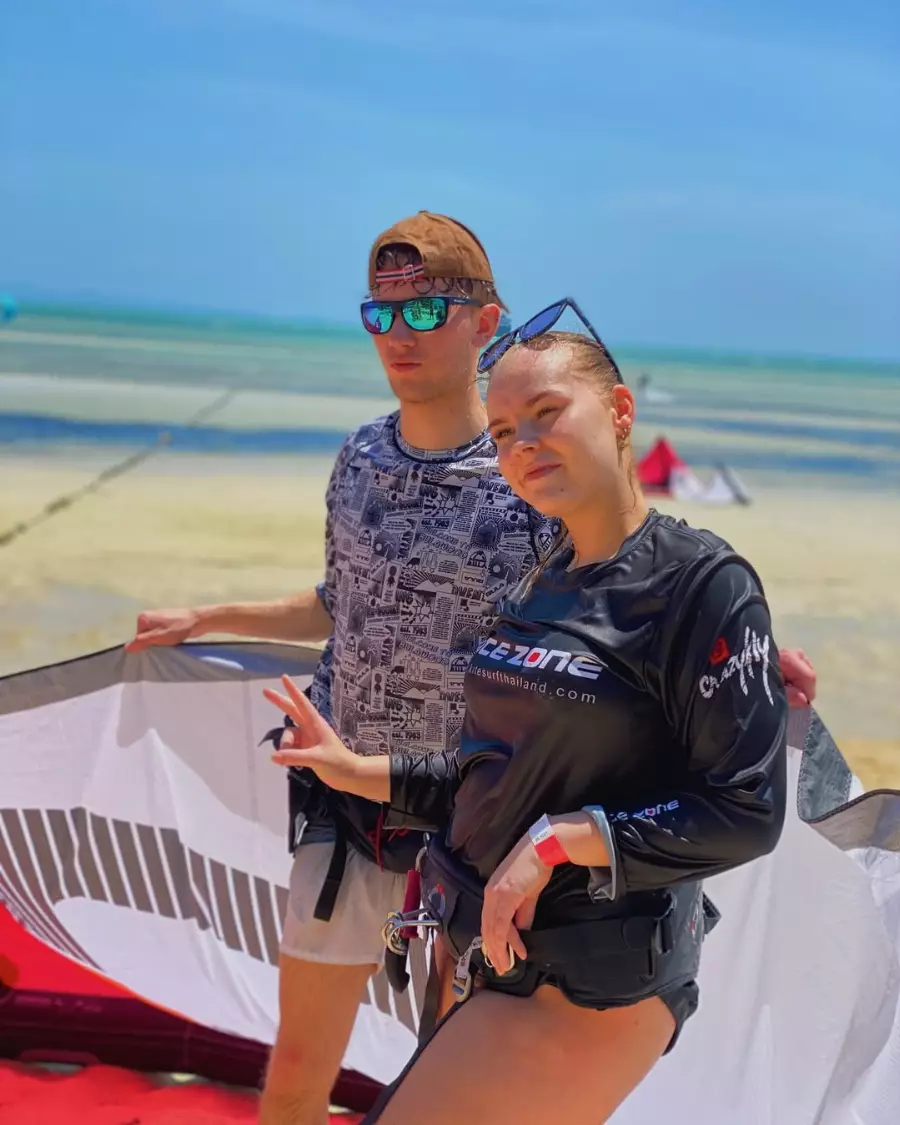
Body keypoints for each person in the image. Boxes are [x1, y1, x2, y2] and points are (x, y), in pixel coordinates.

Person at [125, 217, 816, 1124]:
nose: (399, 333)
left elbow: (635, 608)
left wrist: (743, 653)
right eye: (381, 313)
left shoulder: (550, 499)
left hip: (528, 877)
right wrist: (215, 624)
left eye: (426, 310)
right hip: (385, 813)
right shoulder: (376, 466)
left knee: (436, 1072)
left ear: (485, 321)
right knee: (300, 1063)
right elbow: (352, 602)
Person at [262, 299, 791, 1124]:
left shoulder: (700, 583)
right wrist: (356, 770)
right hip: (479, 952)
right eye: (505, 431)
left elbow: (746, 811)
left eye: (547, 413)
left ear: (620, 411)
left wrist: (559, 841)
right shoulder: (542, 577)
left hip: (590, 974)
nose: (523, 445)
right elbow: (494, 777)